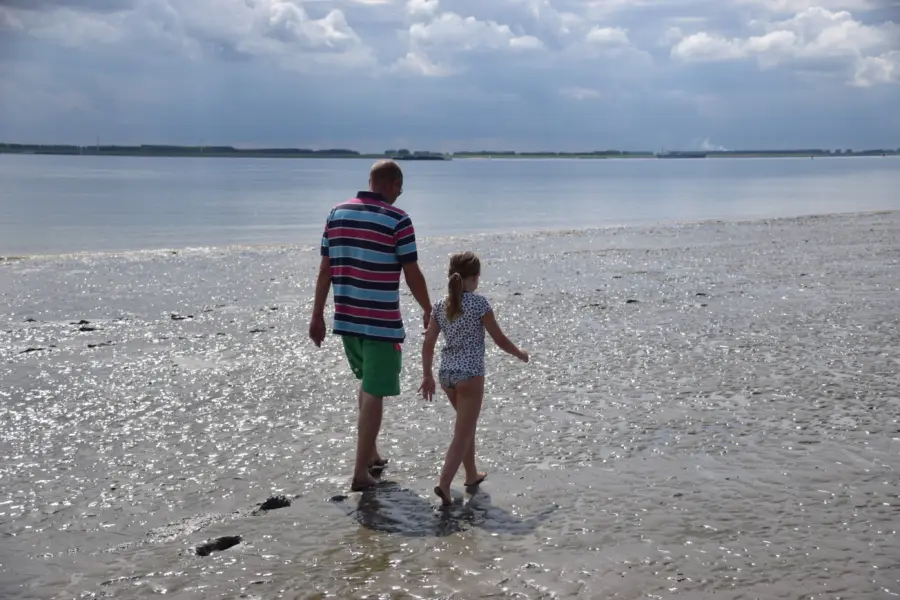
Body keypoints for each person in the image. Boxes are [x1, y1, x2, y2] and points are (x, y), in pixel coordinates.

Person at [309, 159, 432, 492]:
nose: (399, 195)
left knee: (366, 383)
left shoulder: (337, 213)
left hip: (347, 318)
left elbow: (325, 270)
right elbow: (412, 272)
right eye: (400, 189)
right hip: (380, 322)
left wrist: (317, 314)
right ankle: (360, 473)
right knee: (375, 390)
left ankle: (373, 454)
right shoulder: (398, 219)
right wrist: (428, 308)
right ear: (391, 184)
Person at [418, 251, 529, 506]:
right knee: (462, 431)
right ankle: (444, 483)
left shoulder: (439, 306)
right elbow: (499, 339)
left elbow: (429, 343)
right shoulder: (479, 304)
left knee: (465, 428)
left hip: (447, 375)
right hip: (470, 375)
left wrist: (427, 375)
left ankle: (470, 474)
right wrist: (520, 354)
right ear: (475, 277)